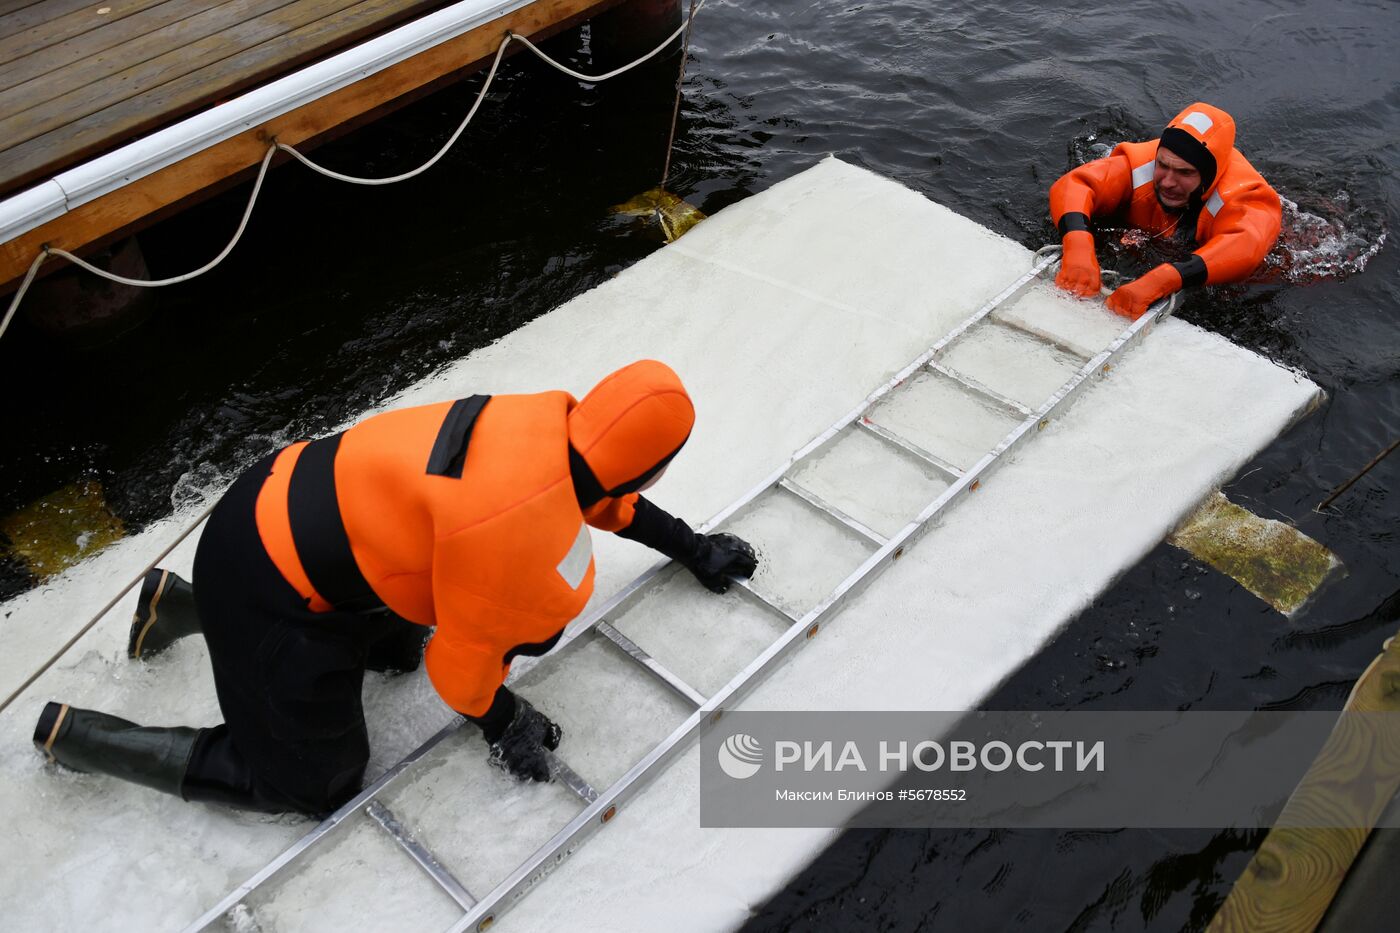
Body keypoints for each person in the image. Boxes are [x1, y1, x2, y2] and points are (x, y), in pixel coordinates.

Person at [33, 360, 757, 816]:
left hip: (272, 509)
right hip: (270, 584)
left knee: (400, 648)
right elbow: (460, 671)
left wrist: (692, 548)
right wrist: (507, 723)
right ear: (652, 466)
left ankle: (181, 603)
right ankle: (90, 737)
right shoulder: (518, 539)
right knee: (318, 782)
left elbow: (609, 498)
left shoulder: (545, 423)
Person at [1049, 102, 1282, 318]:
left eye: (1185, 172)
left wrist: (1165, 278)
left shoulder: (1245, 197)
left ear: (1209, 176)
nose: (1168, 182)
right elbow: (1074, 184)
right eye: (1163, 165)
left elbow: (1248, 245)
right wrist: (1077, 242)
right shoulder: (1141, 163)